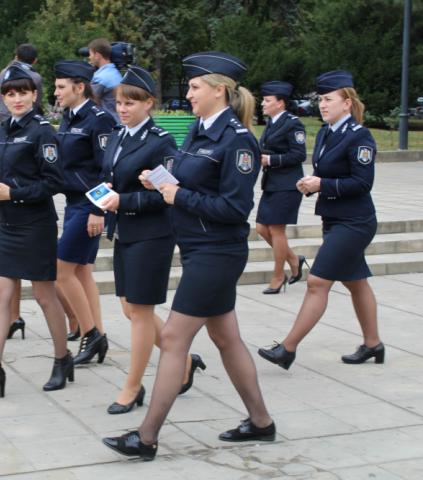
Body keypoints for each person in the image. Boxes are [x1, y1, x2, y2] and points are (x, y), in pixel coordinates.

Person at [103, 52, 276, 460]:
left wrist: (177, 194)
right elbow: (191, 179)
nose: (189, 92)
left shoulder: (238, 140)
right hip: (198, 248)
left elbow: (235, 209)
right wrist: (159, 180)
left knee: (177, 338)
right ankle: (262, 423)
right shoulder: (200, 129)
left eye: (196, 87)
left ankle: (146, 437)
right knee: (225, 337)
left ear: (220, 90)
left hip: (218, 252)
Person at [258, 70, 383, 370]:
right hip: (334, 218)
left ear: (347, 104)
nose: (322, 105)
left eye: (329, 99)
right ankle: (373, 344)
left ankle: (287, 348)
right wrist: (312, 182)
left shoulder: (360, 135)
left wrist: (322, 184)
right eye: (321, 100)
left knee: (316, 283)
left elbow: (363, 183)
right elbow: (330, 172)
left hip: (355, 221)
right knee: (356, 283)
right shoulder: (328, 131)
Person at [98, 66, 201, 416]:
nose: (123, 109)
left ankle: (133, 386)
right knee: (130, 308)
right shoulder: (117, 134)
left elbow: (167, 195)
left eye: (130, 103)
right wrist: (105, 193)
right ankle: (184, 358)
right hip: (124, 231)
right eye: (118, 103)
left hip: (152, 234)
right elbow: (109, 174)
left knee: (140, 312)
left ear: (148, 103)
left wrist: (123, 200)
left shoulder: (161, 142)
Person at [0, 65, 71, 402]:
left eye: (22, 92)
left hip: (36, 224)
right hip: (8, 224)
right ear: (3, 97)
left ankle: (61, 358)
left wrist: (14, 193)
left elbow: (55, 182)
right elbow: (9, 171)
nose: (16, 98)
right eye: (10, 93)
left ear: (34, 94)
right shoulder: (4, 129)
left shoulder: (42, 131)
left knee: (44, 297)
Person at [51, 60, 116, 367]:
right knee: (81, 272)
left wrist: (97, 210)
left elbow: (108, 170)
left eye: (61, 86)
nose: (55, 92)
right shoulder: (68, 117)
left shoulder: (99, 119)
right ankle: (98, 335)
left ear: (80, 87)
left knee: (60, 269)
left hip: (89, 207)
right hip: (73, 203)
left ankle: (91, 334)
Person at [256, 81, 308, 294]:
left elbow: (299, 155)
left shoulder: (293, 123)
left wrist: (271, 160)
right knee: (261, 228)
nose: (262, 104)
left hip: (287, 185)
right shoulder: (271, 122)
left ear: (281, 103)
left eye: (267, 100)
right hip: (272, 184)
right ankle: (295, 260)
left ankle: (279, 276)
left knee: (276, 230)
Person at [0, 44, 44, 155]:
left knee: (0, 163)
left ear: (16, 57)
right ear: (35, 60)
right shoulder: (35, 77)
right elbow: (36, 103)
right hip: (23, 126)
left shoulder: (3, 73)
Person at [88, 38, 123, 123]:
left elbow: (85, 100)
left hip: (109, 125)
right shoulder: (115, 72)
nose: (89, 57)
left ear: (97, 55)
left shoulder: (101, 78)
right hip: (119, 122)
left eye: (90, 54)